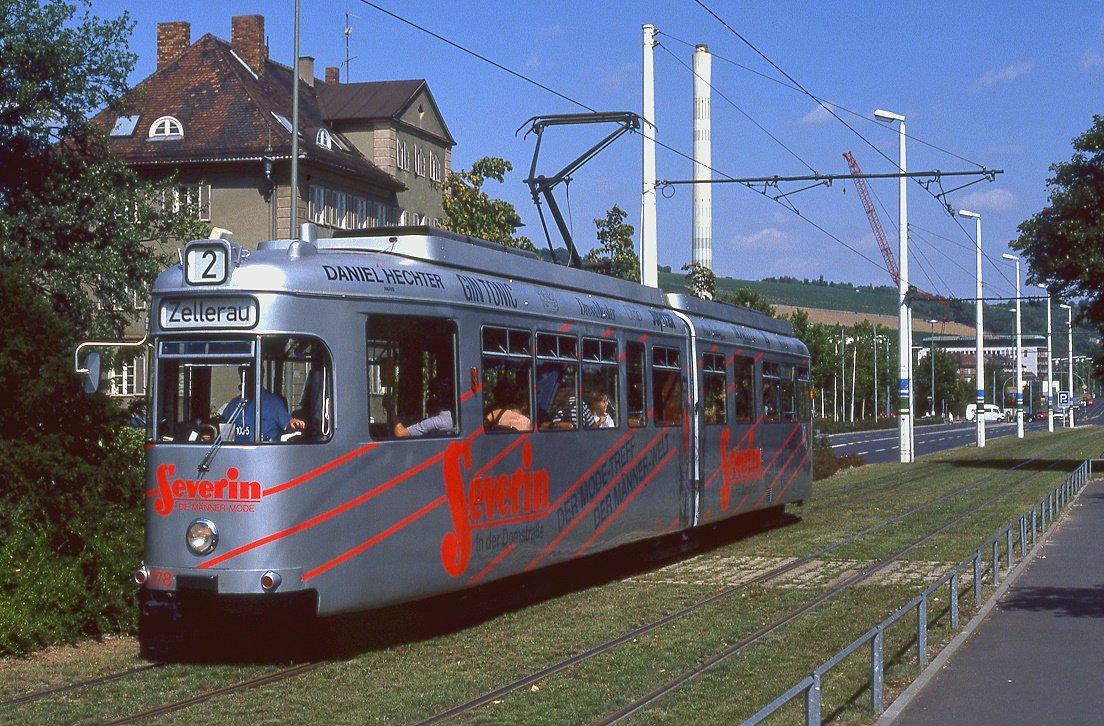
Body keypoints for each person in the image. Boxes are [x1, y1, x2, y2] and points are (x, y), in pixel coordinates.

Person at [222, 367, 304, 442]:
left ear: (260, 377)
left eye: (252, 376)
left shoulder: (274, 402)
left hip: (266, 452)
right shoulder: (233, 404)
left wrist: (293, 422)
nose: (249, 380)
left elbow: (288, 423)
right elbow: (222, 428)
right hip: (237, 453)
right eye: (245, 376)